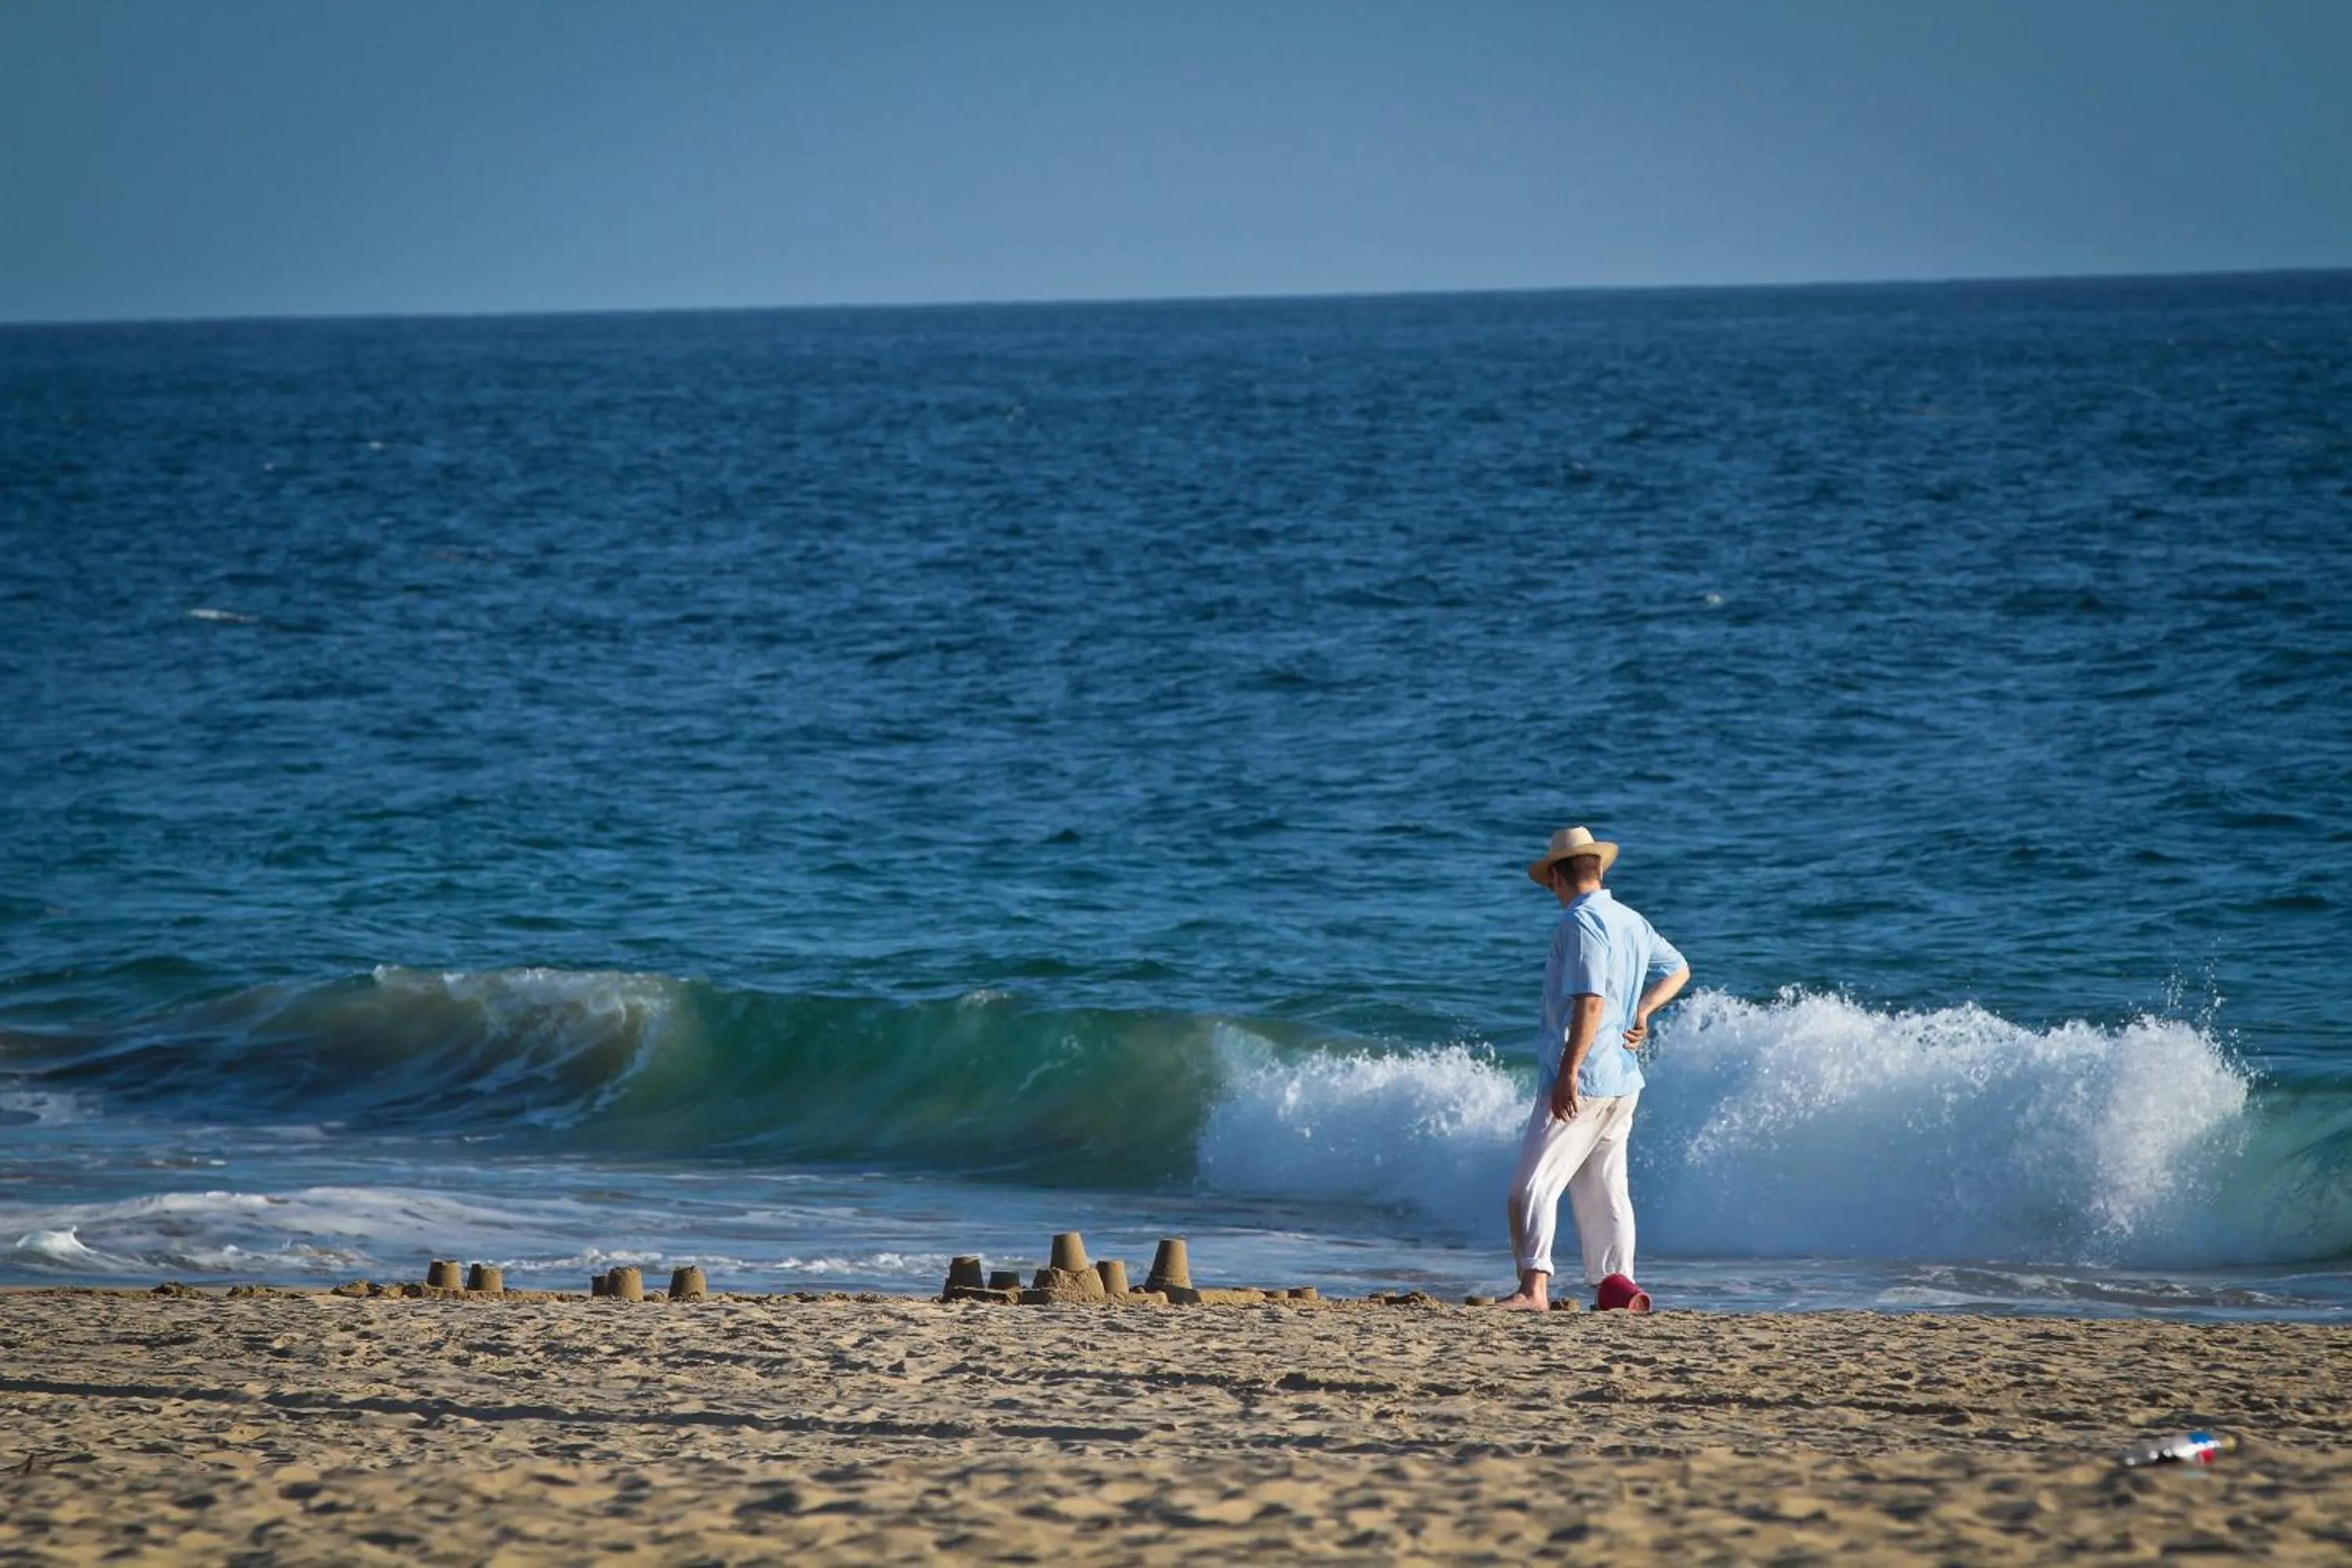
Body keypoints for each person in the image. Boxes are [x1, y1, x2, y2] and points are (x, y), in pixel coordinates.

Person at [1494, 826, 1690, 1312]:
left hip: (1589, 1075)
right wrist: (1644, 1011)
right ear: (1598, 870)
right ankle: (1616, 1287)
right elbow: (1680, 969)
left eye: (1551, 884)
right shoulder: (1631, 920)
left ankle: (1533, 1289)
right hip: (1624, 1078)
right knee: (1604, 1189)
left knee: (1532, 1186)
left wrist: (1569, 1071)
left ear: (1559, 876)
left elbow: (1591, 1002)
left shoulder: (1579, 923)